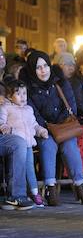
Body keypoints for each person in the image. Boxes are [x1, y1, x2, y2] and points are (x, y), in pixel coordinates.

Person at [23, 51, 83, 206]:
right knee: (48, 145)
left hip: (63, 126)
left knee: (69, 146)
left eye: (45, 66)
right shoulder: (30, 88)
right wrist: (46, 127)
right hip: (43, 128)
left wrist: (60, 125)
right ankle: (50, 188)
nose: (43, 70)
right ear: (33, 70)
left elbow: (71, 105)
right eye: (38, 67)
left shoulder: (60, 82)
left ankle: (81, 185)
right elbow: (32, 112)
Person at [0, 81, 45, 209]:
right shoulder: (6, 108)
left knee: (30, 169)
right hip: (15, 138)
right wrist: (7, 129)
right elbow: (2, 122)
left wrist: (41, 130)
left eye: (24, 93)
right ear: (10, 96)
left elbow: (34, 123)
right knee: (19, 148)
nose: (23, 97)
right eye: (18, 94)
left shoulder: (28, 109)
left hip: (28, 143)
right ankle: (18, 195)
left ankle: (33, 194)